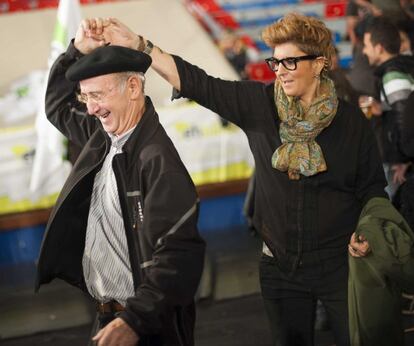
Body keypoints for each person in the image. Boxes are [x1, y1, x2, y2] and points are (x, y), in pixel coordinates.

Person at [98, 13, 388, 345]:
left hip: (341, 265)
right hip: (279, 268)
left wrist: (367, 231)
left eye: (290, 62)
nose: (279, 71)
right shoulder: (258, 104)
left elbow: (372, 187)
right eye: (275, 62)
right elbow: (197, 82)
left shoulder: (352, 123)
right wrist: (138, 44)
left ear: (319, 63)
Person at [35, 20, 205, 346]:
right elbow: (57, 106)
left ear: (133, 88)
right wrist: (76, 50)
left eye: (98, 94)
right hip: (112, 317)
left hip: (144, 325)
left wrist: (134, 321)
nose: (93, 108)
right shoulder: (102, 136)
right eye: (86, 97)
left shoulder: (158, 161)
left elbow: (179, 255)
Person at [362, 17, 414, 200]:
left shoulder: (392, 75)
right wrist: (383, 108)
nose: (363, 50)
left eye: (366, 45)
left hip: (401, 163)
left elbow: (405, 120)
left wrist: (404, 159)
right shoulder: (401, 69)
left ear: (379, 48)